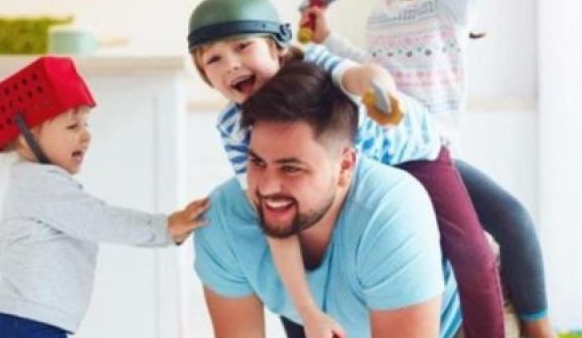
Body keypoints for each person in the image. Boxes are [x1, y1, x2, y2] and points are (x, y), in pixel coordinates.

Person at [187, 0, 504, 337]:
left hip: (412, 152)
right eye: (213, 60)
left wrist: (379, 92)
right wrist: (308, 312)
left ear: (278, 45)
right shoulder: (234, 129)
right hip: (341, 179)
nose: (230, 63)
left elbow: (360, 75)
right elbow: (274, 220)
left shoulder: (313, 64)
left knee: (474, 249)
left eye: (242, 46)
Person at [299, 0, 557, 336]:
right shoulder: (381, 14)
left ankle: (539, 330)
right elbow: (373, 68)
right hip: (386, 156)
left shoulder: (451, 7)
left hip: (432, 155)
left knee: (511, 221)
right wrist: (326, 37)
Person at [194, 61, 462, 338]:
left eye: (291, 168)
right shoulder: (224, 220)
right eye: (257, 162)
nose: (267, 187)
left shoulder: (390, 211)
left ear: (345, 167)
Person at [0, 56, 209, 338]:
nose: (86, 136)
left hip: (28, 322)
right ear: (25, 137)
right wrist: (164, 227)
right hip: (27, 324)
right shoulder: (41, 184)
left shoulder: (39, 182)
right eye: (73, 127)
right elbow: (100, 220)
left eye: (86, 125)